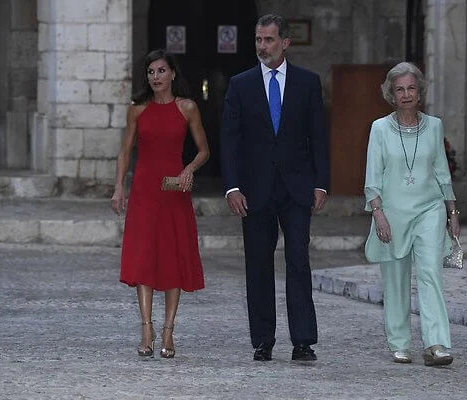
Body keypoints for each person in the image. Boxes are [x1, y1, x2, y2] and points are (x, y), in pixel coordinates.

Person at [219, 14, 330, 362]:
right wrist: (232, 187)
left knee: (299, 261)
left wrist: (321, 184)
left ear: (285, 42)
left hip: (297, 189)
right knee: (258, 264)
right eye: (258, 40)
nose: (262, 46)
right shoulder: (241, 84)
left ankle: (303, 341)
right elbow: (230, 141)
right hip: (254, 190)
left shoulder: (308, 83)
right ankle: (263, 339)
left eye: (268, 40)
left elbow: (319, 138)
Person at [111, 49, 210, 359]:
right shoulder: (137, 110)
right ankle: (146, 328)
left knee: (171, 256)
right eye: (151, 72)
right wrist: (118, 188)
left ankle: (168, 329)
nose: (155, 77)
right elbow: (125, 152)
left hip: (173, 191)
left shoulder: (188, 108)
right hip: (143, 190)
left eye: (161, 71)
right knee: (144, 257)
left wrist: (188, 170)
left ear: (173, 74)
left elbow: (204, 150)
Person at [364, 62, 460, 366]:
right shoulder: (379, 128)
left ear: (420, 92)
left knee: (431, 272)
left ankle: (437, 344)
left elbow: (442, 171)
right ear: (391, 94)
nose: (406, 94)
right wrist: (377, 212)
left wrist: (451, 210)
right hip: (391, 212)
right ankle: (399, 341)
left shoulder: (434, 125)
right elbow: (372, 176)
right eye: (399, 89)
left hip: (429, 209)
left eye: (411, 88)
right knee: (395, 278)